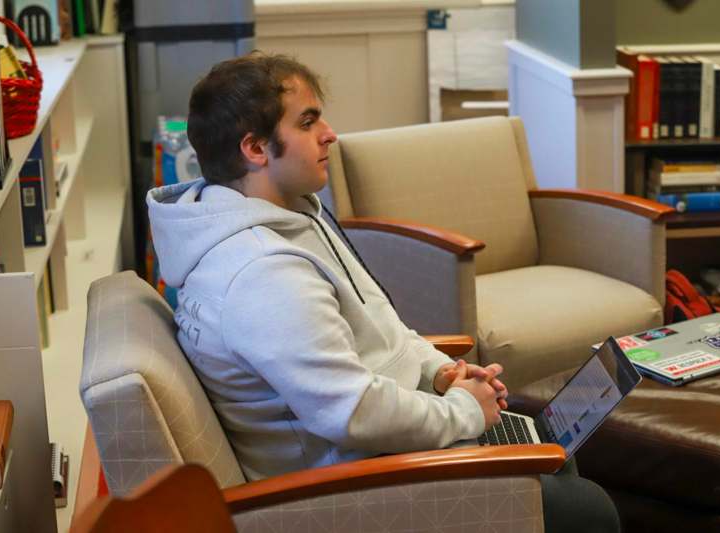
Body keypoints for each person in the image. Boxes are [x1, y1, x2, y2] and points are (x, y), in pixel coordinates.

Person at [147, 52, 620, 533]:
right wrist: (461, 411)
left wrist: (439, 373)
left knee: (549, 444)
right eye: (308, 122)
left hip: (376, 449)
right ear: (255, 148)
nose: (330, 133)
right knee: (585, 509)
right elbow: (351, 413)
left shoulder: (293, 215)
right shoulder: (262, 275)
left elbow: (381, 323)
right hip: (344, 490)